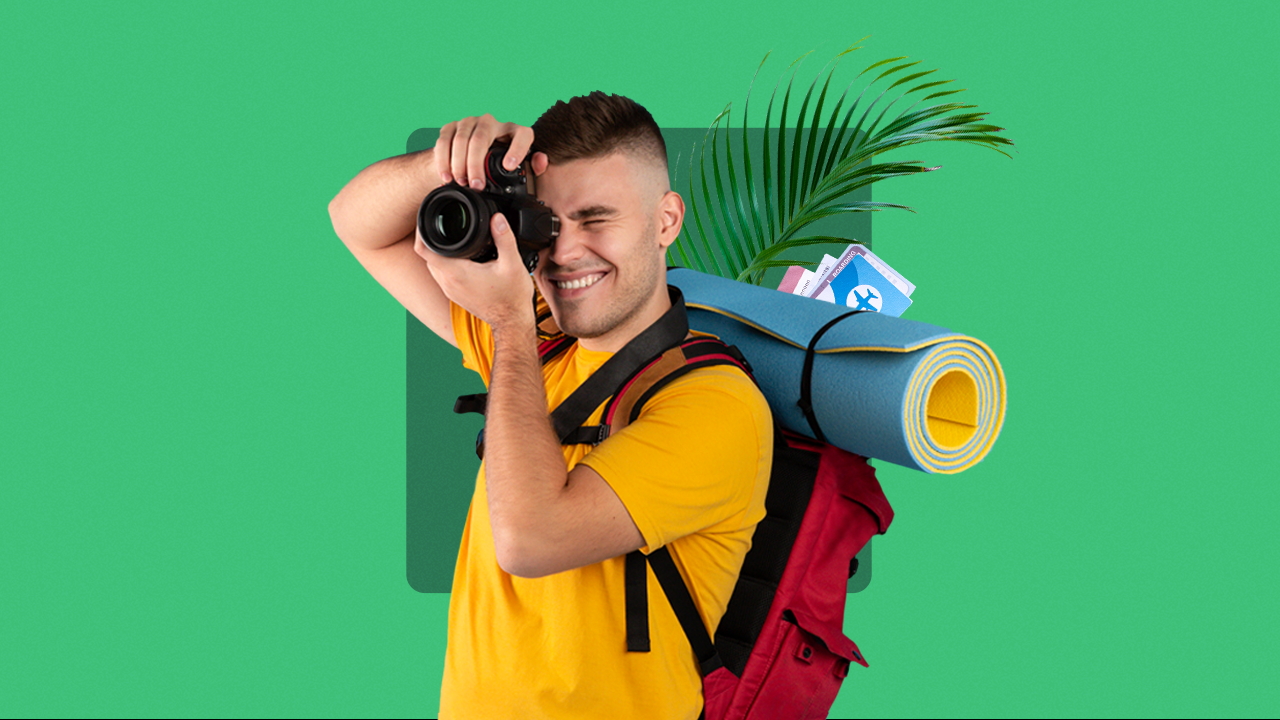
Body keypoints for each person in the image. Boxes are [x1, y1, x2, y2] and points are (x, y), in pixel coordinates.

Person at [328, 92, 773, 720]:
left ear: (666, 220)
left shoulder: (715, 404)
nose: (563, 253)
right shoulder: (539, 340)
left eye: (597, 218)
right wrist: (445, 168)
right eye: (550, 224)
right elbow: (356, 222)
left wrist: (508, 318)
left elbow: (529, 541)